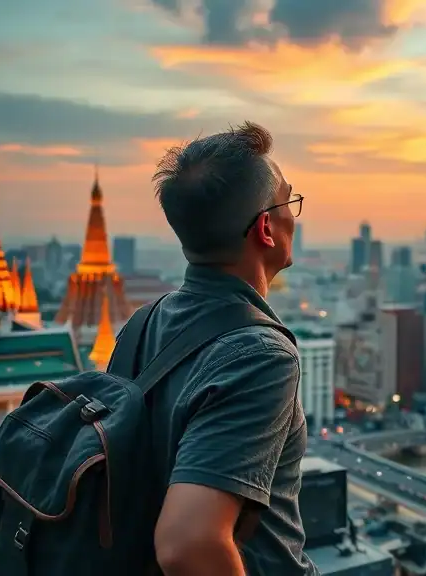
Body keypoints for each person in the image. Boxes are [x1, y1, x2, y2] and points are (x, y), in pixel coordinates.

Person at [110, 122, 316, 576]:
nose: (294, 216)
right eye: (289, 201)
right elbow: (188, 543)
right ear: (266, 228)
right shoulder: (259, 354)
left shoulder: (143, 324)